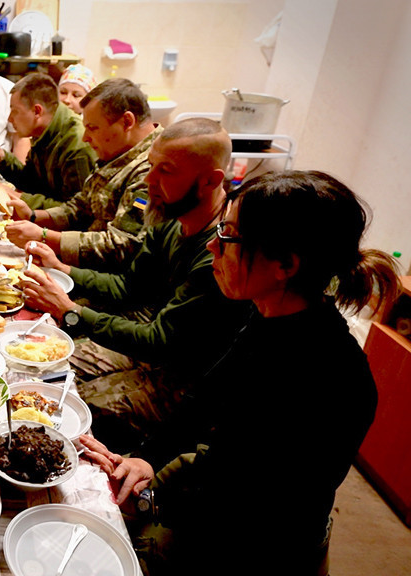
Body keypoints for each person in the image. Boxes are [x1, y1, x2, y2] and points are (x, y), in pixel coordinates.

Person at [81, 170, 400, 576]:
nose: (212, 245)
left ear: (285, 264)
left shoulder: (326, 378)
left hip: (257, 549)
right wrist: (147, 458)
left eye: (229, 236)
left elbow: (248, 498)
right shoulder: (268, 313)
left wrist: (148, 502)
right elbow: (204, 398)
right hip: (217, 512)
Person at [21, 118, 250, 452]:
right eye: (151, 165)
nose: (148, 180)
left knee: (64, 411)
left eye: (165, 171)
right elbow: (129, 286)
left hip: (182, 379)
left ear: (210, 181)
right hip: (148, 347)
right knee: (37, 373)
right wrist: (62, 268)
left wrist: (70, 311)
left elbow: (160, 342)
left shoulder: (216, 255)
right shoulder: (169, 218)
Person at [5, 78, 161, 272]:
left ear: (127, 122)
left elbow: (121, 245)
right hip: (83, 265)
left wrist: (45, 236)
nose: (85, 137)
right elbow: (80, 206)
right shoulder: (118, 151)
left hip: (107, 278)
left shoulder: (153, 168)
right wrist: (34, 216)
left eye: (92, 128)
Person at [0, 72, 96, 211]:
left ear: (37, 111)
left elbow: (77, 211)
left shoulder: (76, 145)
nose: (10, 118)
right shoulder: (44, 127)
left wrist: (20, 197)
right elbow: (31, 181)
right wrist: (2, 159)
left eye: (15, 111)